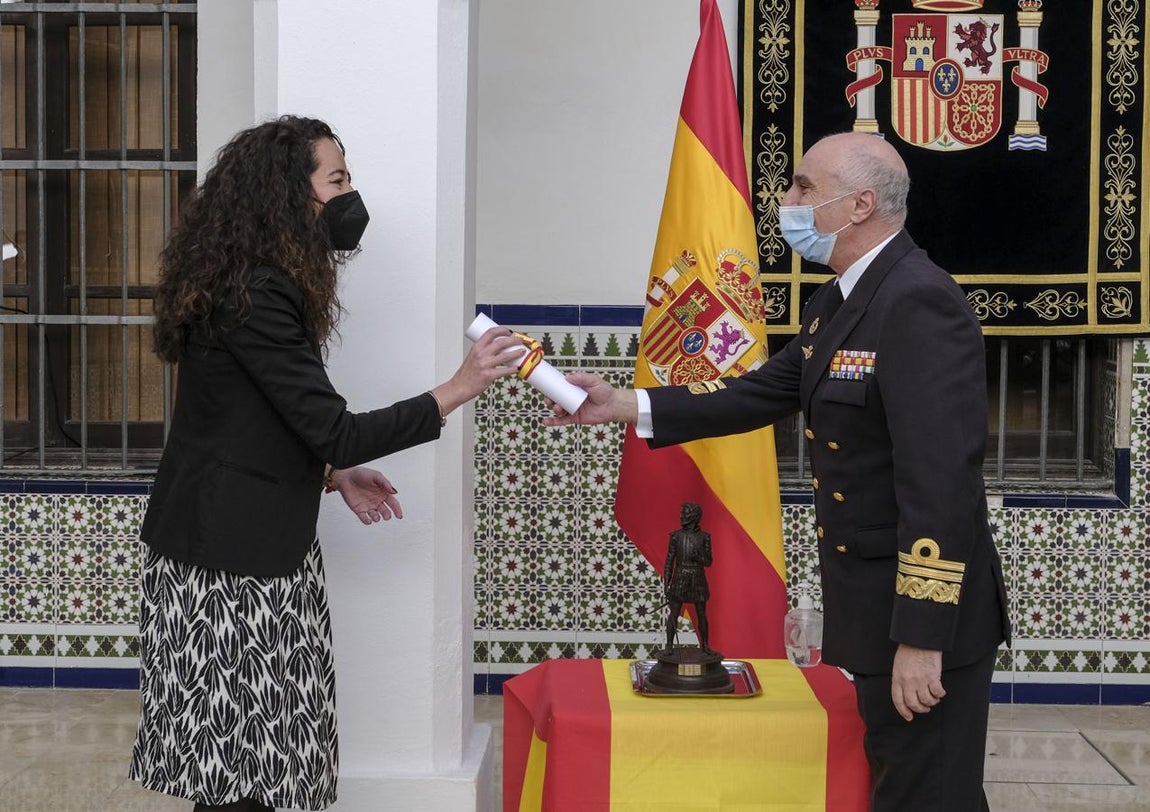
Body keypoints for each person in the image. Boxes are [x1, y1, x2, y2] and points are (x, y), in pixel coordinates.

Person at [545, 132, 1011, 811]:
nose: (785, 199)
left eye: (803, 187)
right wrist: (624, 404)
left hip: (918, 621)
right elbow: (757, 393)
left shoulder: (916, 300)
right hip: (874, 612)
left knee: (928, 793)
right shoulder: (841, 302)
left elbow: (940, 484)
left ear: (860, 206)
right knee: (915, 788)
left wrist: (920, 636)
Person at [128, 115, 524, 812]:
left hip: (244, 541)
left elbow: (251, 418)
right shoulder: (254, 293)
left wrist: (332, 474)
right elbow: (335, 430)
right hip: (227, 558)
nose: (349, 196)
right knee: (236, 768)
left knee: (251, 760)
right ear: (288, 194)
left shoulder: (251, 282)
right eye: (336, 181)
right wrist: (459, 387)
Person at [662, 501, 714, 654]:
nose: (681, 516)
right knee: (674, 613)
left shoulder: (704, 537)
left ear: (692, 516)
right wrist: (666, 583)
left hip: (697, 577)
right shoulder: (676, 536)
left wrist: (699, 557)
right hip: (680, 577)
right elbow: (669, 561)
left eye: (684, 513)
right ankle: (669, 645)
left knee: (701, 614)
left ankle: (705, 645)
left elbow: (708, 561)